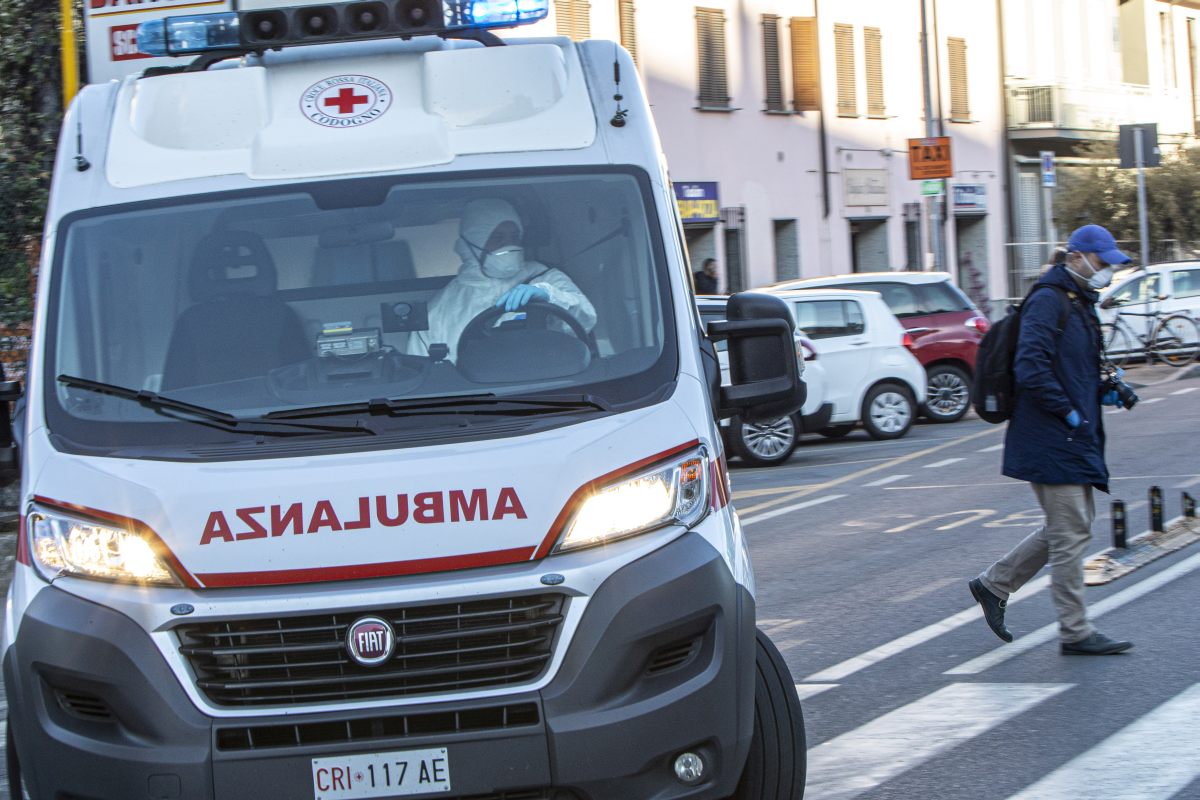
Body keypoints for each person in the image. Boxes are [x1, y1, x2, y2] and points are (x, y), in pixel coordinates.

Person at [969, 224, 1135, 656]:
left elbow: (1071, 370)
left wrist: (1105, 390)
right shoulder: (1049, 300)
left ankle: (994, 584)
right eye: (1101, 263)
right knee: (1069, 534)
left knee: (1072, 528)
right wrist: (1070, 412)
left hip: (1071, 436)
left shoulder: (1078, 301)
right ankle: (1075, 631)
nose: (1107, 272)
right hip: (1050, 436)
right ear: (1076, 257)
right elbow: (1031, 369)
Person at [406, 198, 597, 363]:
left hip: (551, 384)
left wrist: (551, 296)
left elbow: (586, 317)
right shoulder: (441, 309)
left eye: (515, 237)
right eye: (498, 238)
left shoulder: (545, 277)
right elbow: (426, 372)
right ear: (475, 242)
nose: (510, 245)